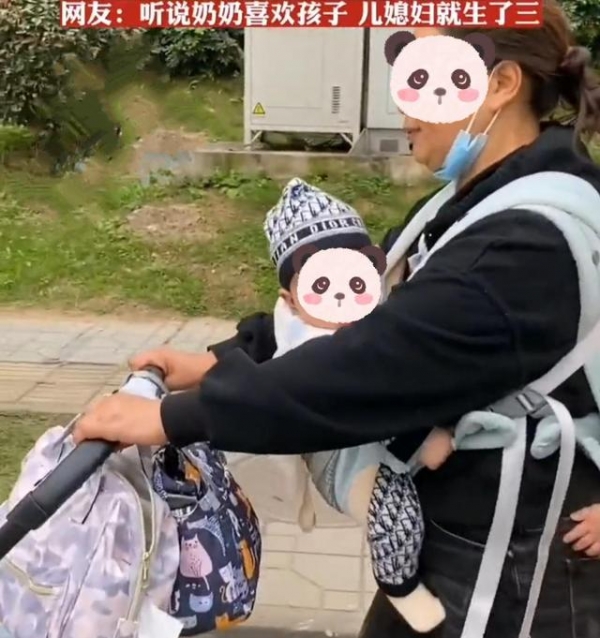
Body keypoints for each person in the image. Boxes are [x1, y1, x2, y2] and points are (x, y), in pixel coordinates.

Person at [74, 4, 600, 637]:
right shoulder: (485, 203)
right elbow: (357, 318)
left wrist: (172, 418)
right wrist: (217, 363)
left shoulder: (527, 237)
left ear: (500, 84)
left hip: (519, 571)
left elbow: (371, 365)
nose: (403, 103)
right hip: (465, 536)